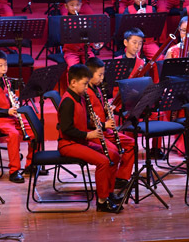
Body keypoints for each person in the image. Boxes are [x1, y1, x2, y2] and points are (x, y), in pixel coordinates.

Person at [57, 64, 123, 212]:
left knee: (114, 154)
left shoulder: (80, 97)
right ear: (73, 82)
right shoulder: (68, 101)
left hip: (80, 141)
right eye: (85, 84)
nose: (87, 87)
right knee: (103, 161)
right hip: (68, 144)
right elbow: (67, 129)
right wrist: (89, 135)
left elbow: (82, 121)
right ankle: (102, 201)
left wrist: (94, 124)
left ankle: (109, 192)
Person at [0, 50, 35, 183]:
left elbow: (9, 99)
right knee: (13, 135)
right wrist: (7, 111)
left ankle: (31, 164)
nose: (4, 68)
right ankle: (14, 171)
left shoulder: (7, 82)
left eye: (5, 65)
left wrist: (14, 103)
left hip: (11, 117)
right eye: (0, 65)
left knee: (34, 130)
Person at [84, 57, 135, 191]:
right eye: (100, 75)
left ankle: (121, 178)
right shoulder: (85, 93)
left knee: (131, 144)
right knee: (113, 152)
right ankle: (107, 188)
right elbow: (86, 120)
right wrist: (104, 124)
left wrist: (107, 110)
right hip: (94, 132)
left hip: (104, 130)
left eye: (103, 75)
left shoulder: (97, 89)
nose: (102, 78)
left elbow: (98, 110)